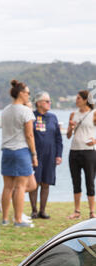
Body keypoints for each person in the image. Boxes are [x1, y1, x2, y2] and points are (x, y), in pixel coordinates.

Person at [1, 79, 38, 227]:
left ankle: (4, 219)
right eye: (28, 93)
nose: (29, 95)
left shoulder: (5, 110)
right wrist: (34, 155)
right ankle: (18, 220)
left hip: (6, 151)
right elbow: (29, 135)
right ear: (21, 93)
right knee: (21, 187)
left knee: (8, 187)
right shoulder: (26, 111)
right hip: (21, 150)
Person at [29, 91, 63, 219]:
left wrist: (59, 155)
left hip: (50, 156)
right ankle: (34, 210)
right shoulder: (31, 116)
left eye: (50, 101)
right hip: (36, 156)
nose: (49, 103)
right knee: (34, 183)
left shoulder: (53, 117)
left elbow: (58, 138)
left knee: (46, 183)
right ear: (38, 103)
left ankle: (42, 211)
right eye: (47, 101)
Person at [67, 90, 96, 219]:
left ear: (85, 100)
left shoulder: (94, 114)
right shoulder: (73, 114)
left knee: (90, 181)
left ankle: (92, 212)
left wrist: (95, 140)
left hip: (89, 152)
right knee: (76, 181)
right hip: (74, 151)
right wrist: (70, 127)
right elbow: (68, 136)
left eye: (78, 98)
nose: (76, 100)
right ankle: (77, 211)